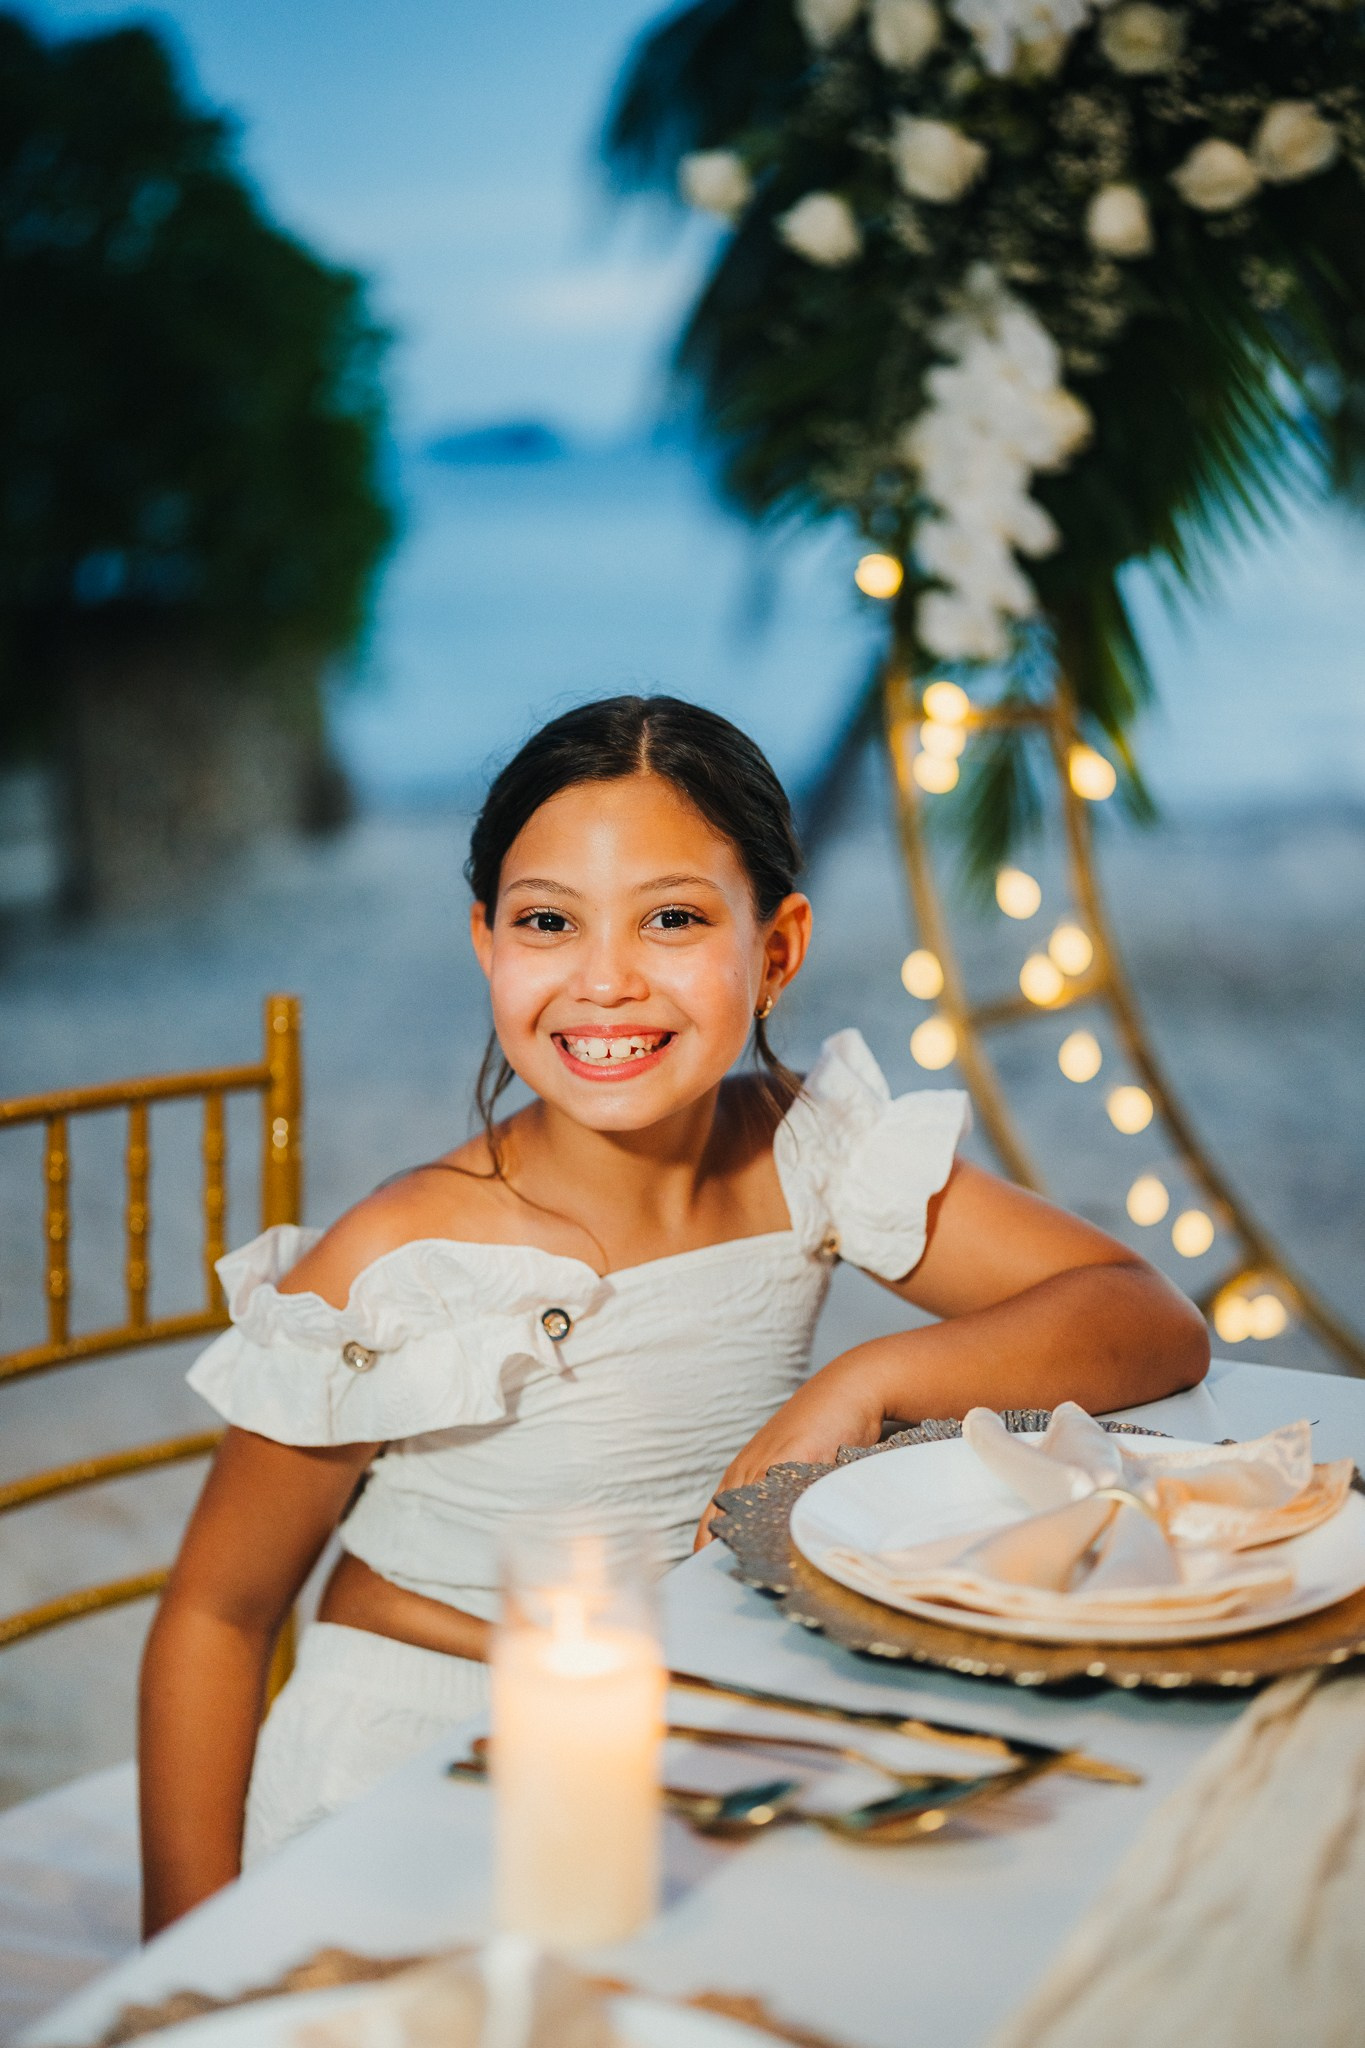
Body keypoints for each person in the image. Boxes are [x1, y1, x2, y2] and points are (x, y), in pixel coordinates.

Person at [138, 694, 1207, 1934]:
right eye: (548, 921)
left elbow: (1150, 1316)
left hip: (701, 1734)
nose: (605, 979)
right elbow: (216, 1613)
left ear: (777, 948)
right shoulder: (400, 1259)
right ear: (487, 942)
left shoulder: (805, 1152)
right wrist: (178, 1970)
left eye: (674, 918)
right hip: (423, 1764)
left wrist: (864, 1381)